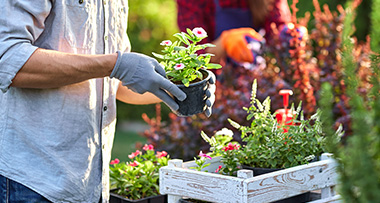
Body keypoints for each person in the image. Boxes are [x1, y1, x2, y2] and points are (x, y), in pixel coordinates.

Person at [0, 0, 215, 202]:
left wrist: (179, 90)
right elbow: (8, 58)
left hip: (90, 185)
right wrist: (115, 65)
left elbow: (117, 82)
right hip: (32, 183)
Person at [176, 0, 292, 65]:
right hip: (219, 83)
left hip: (260, 69)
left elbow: (278, 29)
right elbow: (196, 56)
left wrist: (290, 35)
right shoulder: (191, 2)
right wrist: (224, 43)